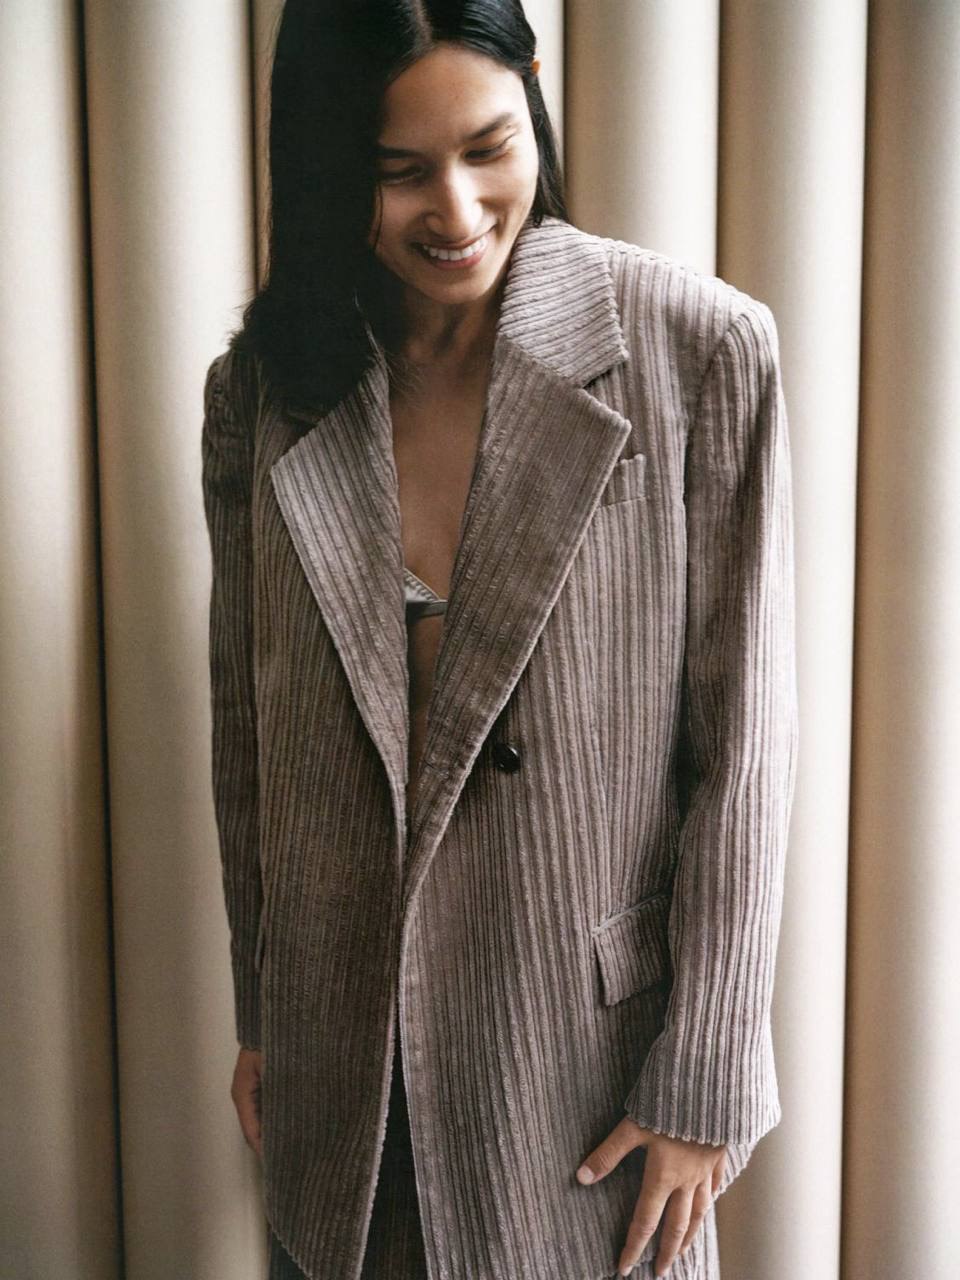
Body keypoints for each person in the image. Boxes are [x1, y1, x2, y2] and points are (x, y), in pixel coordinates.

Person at [200, 2, 799, 1278]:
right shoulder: (265, 389)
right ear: (325, 164)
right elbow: (250, 728)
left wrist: (704, 1077)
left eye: (488, 146)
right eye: (398, 170)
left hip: (585, 1080)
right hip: (345, 1083)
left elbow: (745, 746)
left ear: (535, 91)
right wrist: (266, 1006)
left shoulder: (698, 351)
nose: (459, 209)